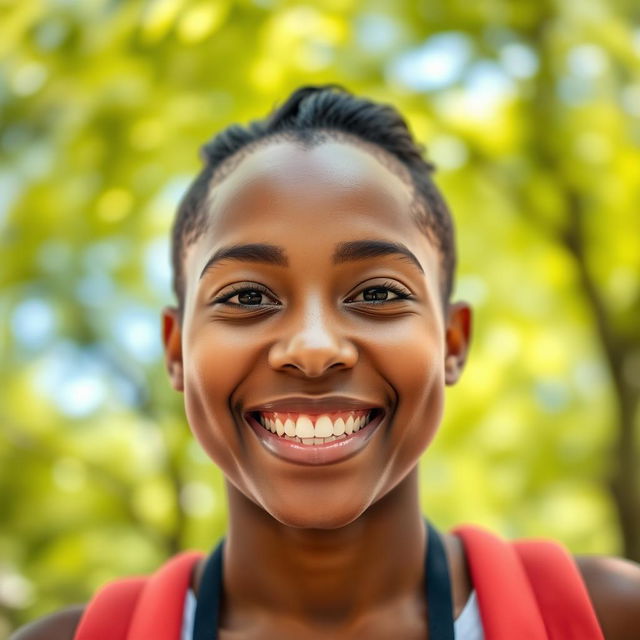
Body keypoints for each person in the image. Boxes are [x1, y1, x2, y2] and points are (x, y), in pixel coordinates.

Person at [12, 85, 640, 639]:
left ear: (452, 341)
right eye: (247, 297)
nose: (314, 348)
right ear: (176, 350)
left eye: (377, 294)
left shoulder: (610, 619)